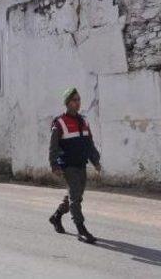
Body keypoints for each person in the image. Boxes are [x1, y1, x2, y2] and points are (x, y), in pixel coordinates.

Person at [48, 87, 102, 244]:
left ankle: (56, 217)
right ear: (67, 103)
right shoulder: (59, 123)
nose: (78, 103)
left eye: (79, 100)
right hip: (68, 166)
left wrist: (95, 161)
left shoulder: (84, 121)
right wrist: (54, 165)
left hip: (81, 164)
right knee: (75, 197)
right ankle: (81, 229)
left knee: (76, 195)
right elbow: (53, 146)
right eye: (74, 100)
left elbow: (89, 144)